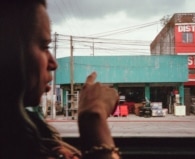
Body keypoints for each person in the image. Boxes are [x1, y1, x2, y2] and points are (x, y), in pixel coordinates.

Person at [0, 0, 120, 159]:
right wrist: (94, 120)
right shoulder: (14, 144)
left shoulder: (34, 134)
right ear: (9, 52)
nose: (54, 64)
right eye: (44, 46)